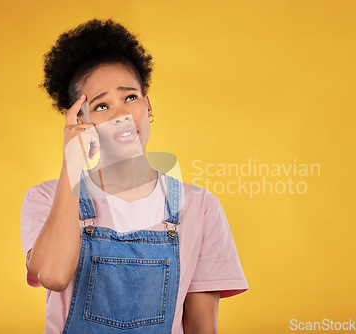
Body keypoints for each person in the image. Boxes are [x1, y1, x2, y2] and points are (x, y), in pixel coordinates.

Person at [20, 18, 248, 334]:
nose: (122, 114)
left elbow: (201, 325)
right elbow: (55, 276)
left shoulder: (200, 207)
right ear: (80, 122)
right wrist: (72, 164)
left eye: (130, 97)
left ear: (148, 105)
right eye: (101, 106)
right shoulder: (45, 199)